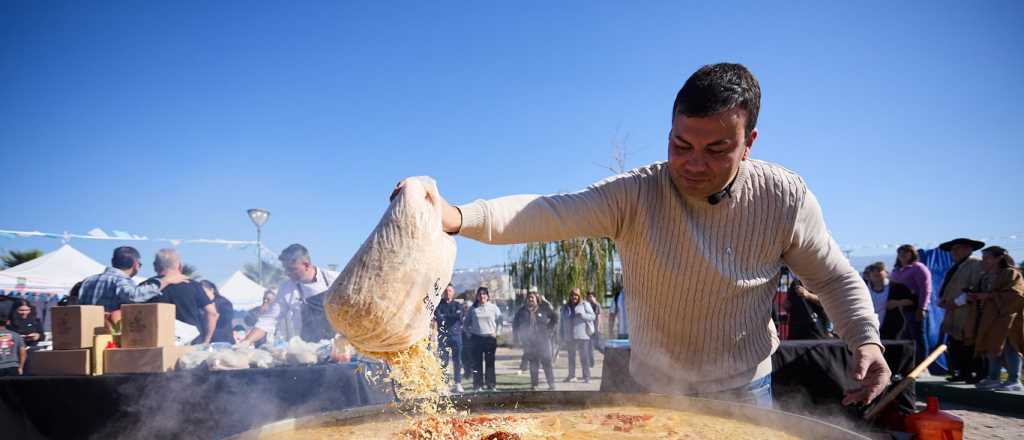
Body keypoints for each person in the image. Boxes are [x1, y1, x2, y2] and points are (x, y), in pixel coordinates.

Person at [390, 62, 889, 407]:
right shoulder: (636, 192)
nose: (694, 164)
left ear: (749, 142)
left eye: (717, 149)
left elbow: (835, 279)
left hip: (745, 388)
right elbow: (549, 212)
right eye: (680, 143)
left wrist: (865, 340)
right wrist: (456, 215)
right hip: (654, 388)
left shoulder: (784, 197)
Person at [244, 244, 337, 344]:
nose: (287, 273)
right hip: (310, 346)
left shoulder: (335, 279)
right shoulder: (286, 288)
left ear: (306, 265)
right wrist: (246, 341)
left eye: (292, 269)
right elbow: (269, 320)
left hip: (339, 343)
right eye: (285, 269)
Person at [970, 246, 1024, 392]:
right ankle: (993, 378)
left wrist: (989, 296)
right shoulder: (986, 276)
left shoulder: (1011, 273)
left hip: (1007, 318)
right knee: (991, 347)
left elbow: (1016, 295)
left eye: (987, 257)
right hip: (989, 318)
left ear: (998, 258)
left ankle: (1014, 379)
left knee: (1009, 347)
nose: (984, 261)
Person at [78, 246, 187, 315]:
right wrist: (165, 281)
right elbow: (134, 296)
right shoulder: (120, 280)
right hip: (109, 338)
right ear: (135, 264)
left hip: (85, 337)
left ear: (112, 261)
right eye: (140, 264)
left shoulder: (87, 281)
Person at [141, 249, 218, 345]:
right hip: (191, 344)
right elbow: (212, 313)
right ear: (179, 265)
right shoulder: (193, 285)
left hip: (157, 344)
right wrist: (207, 339)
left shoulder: (146, 287)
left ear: (155, 266)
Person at [936, 238, 986, 383]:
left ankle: (975, 373)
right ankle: (962, 372)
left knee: (969, 341)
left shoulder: (975, 264)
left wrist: (957, 302)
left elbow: (975, 287)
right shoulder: (956, 266)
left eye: (957, 249)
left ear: (968, 249)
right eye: (953, 249)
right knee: (955, 342)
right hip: (954, 311)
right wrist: (943, 300)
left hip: (968, 310)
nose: (954, 252)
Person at [890, 245, 934, 364]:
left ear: (912, 254)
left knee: (918, 337)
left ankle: (922, 364)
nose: (902, 255)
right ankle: (908, 365)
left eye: (906, 253)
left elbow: (926, 289)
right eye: (900, 253)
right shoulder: (897, 270)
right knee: (905, 338)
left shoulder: (919, 268)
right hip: (899, 310)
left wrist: (922, 308)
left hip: (915, 308)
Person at [514, 292, 559, 390]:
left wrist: (549, 329)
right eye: (529, 298)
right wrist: (517, 337)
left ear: (537, 299)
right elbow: (515, 324)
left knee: (547, 362)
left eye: (532, 298)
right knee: (533, 364)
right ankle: (534, 385)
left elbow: (555, 317)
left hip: (543, 340)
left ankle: (551, 384)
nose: (530, 300)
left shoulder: (544, 309)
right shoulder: (522, 311)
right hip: (529, 342)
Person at [863, 262, 918, 340]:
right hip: (868, 329)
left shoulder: (897, 287)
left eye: (879, 270)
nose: (876, 272)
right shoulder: (862, 289)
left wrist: (897, 303)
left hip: (892, 329)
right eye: (872, 271)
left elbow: (913, 301)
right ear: (869, 275)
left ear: (886, 273)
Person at [464, 287, 501, 392]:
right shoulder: (473, 309)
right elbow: (466, 324)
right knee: (477, 363)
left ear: (488, 296)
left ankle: (491, 385)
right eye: (480, 294)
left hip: (490, 339)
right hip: (476, 339)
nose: (482, 296)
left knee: (490, 363)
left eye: (484, 294)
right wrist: (469, 335)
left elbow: (500, 322)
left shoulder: (494, 308)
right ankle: (477, 385)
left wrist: (497, 333)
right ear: (477, 296)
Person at [433, 283, 465, 393]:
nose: (448, 293)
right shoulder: (438, 305)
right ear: (443, 293)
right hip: (443, 337)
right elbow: (439, 318)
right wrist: (450, 317)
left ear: (453, 292)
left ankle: (458, 383)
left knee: (457, 361)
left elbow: (459, 317)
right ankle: (443, 384)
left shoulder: (458, 305)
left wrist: (445, 317)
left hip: (456, 336)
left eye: (450, 291)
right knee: (443, 362)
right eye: (446, 291)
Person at [560, 288, 596, 383]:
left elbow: (593, 316)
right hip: (569, 335)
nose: (574, 297)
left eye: (576, 295)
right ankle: (571, 376)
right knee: (571, 357)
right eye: (572, 295)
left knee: (584, 357)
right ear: (569, 296)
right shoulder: (565, 307)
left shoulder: (585, 304)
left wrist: (583, 315)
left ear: (579, 296)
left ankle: (586, 377)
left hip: (582, 335)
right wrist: (561, 335)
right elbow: (562, 322)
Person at [199, 280, 236, 345]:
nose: (203, 295)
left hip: (222, 340)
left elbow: (226, 319)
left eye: (204, 292)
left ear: (212, 290)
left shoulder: (223, 302)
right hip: (206, 341)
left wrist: (212, 313)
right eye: (200, 293)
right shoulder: (201, 305)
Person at [586, 291, 602, 367]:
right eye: (588, 297)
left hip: (595, 329)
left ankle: (608, 354)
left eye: (591, 297)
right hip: (590, 329)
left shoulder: (596, 305)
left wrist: (597, 329)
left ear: (594, 297)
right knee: (590, 346)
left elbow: (598, 318)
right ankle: (591, 363)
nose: (589, 298)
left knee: (598, 345)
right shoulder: (588, 305)